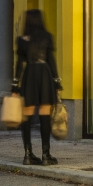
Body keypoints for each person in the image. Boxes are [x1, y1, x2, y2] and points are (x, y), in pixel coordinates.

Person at [15, 9, 62, 166]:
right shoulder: (47, 37)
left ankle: (28, 155)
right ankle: (45, 155)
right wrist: (57, 82)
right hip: (44, 74)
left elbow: (19, 64)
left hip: (29, 75)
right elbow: (51, 61)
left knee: (27, 116)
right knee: (45, 115)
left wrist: (15, 86)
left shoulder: (21, 39)